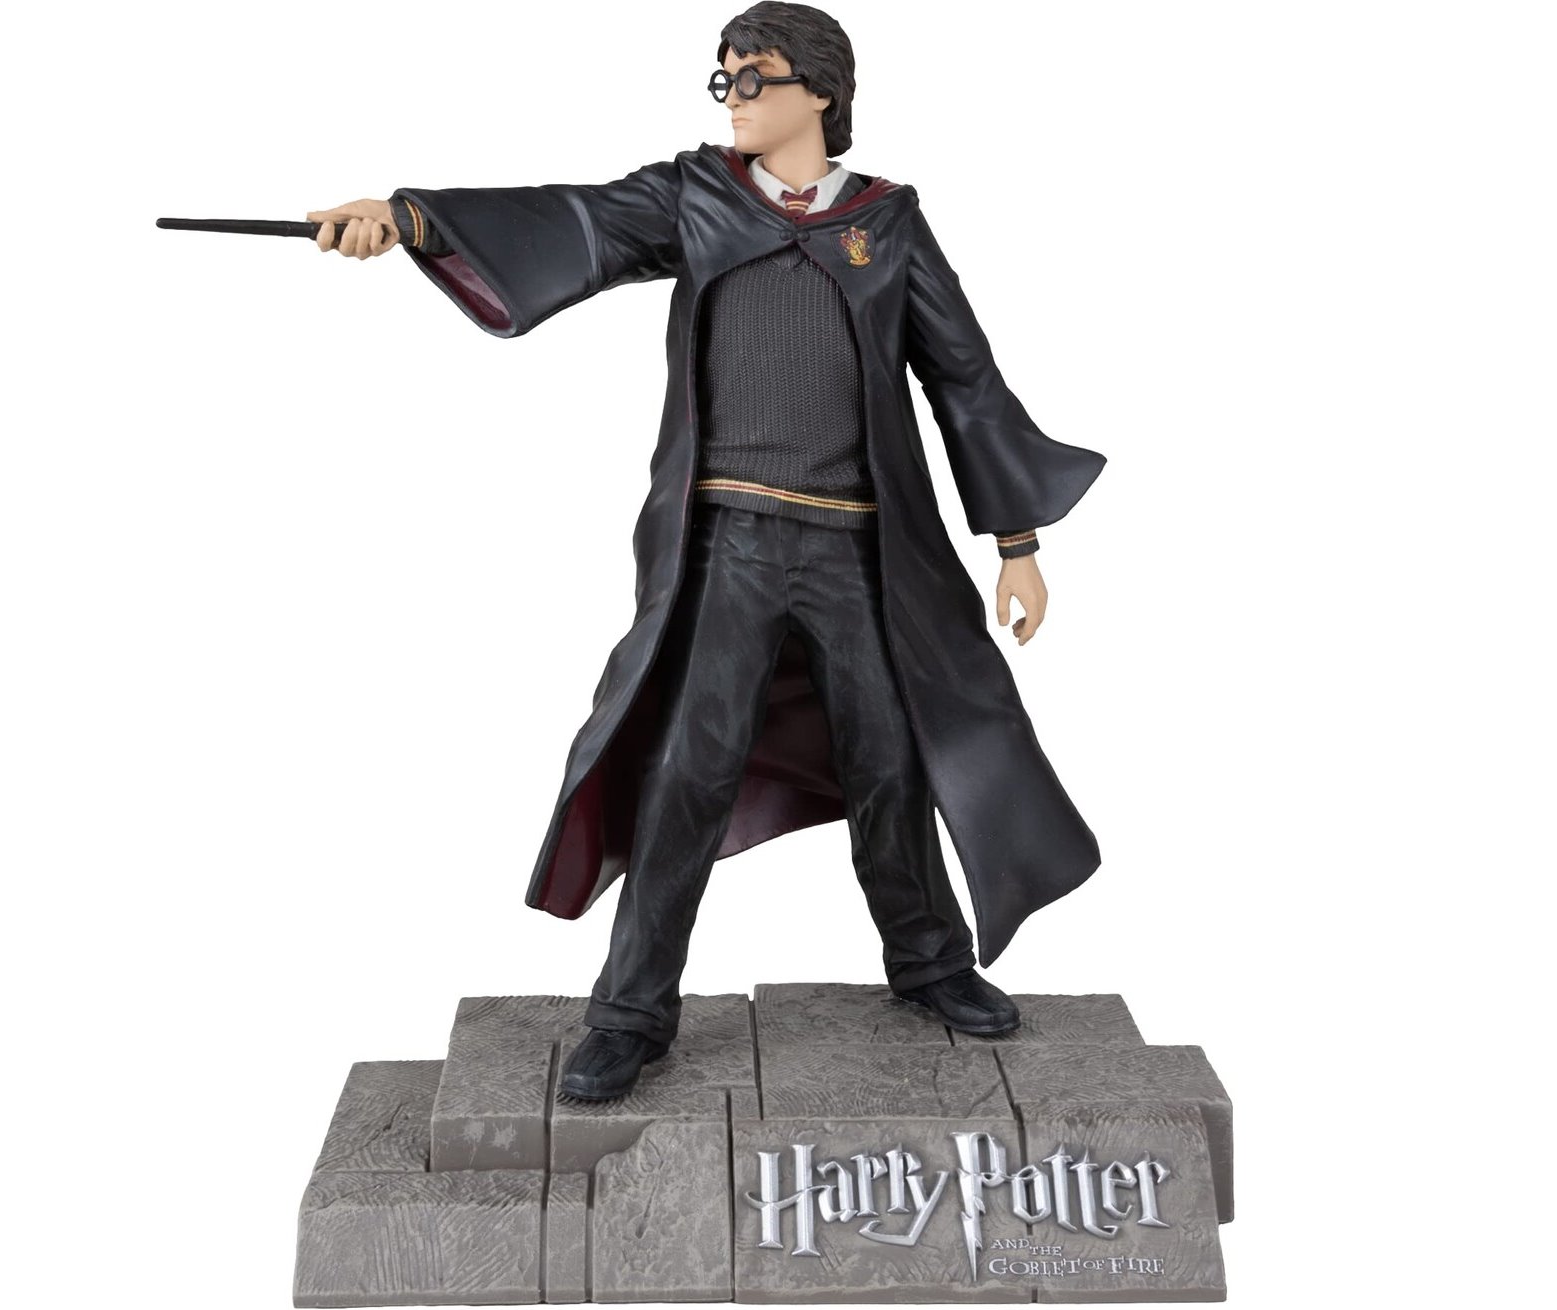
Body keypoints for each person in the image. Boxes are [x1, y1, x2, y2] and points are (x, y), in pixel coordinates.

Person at [307, 2, 1106, 1100]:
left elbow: (964, 375)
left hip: (858, 549)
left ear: (820, 92)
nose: (734, 96)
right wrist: (408, 219)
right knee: (689, 767)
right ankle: (630, 1010)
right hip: (729, 542)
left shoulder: (886, 222)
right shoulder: (697, 196)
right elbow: (576, 219)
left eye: (755, 75)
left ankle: (930, 961)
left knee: (890, 758)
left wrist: (1017, 542)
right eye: (723, 77)